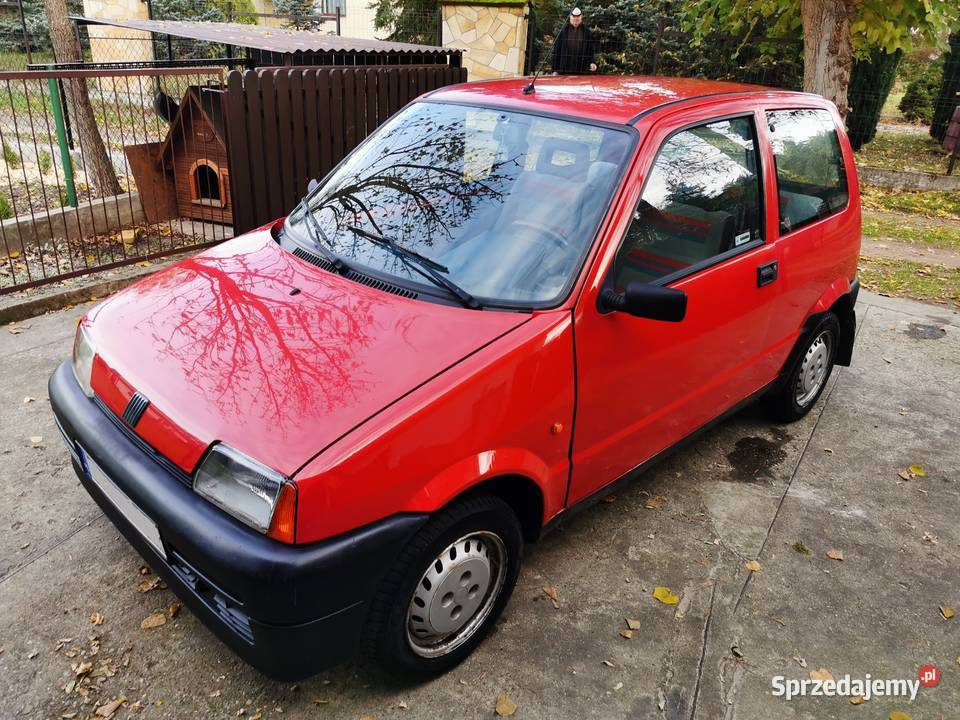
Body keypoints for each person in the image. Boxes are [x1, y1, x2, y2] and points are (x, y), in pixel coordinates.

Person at [551, 7, 597, 75]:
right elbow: (556, 51)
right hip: (564, 69)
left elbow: (591, 50)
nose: (575, 22)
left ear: (581, 18)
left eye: (577, 20)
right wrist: (555, 69)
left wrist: (592, 62)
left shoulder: (587, 32)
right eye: (574, 20)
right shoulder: (563, 32)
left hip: (582, 69)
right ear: (570, 18)